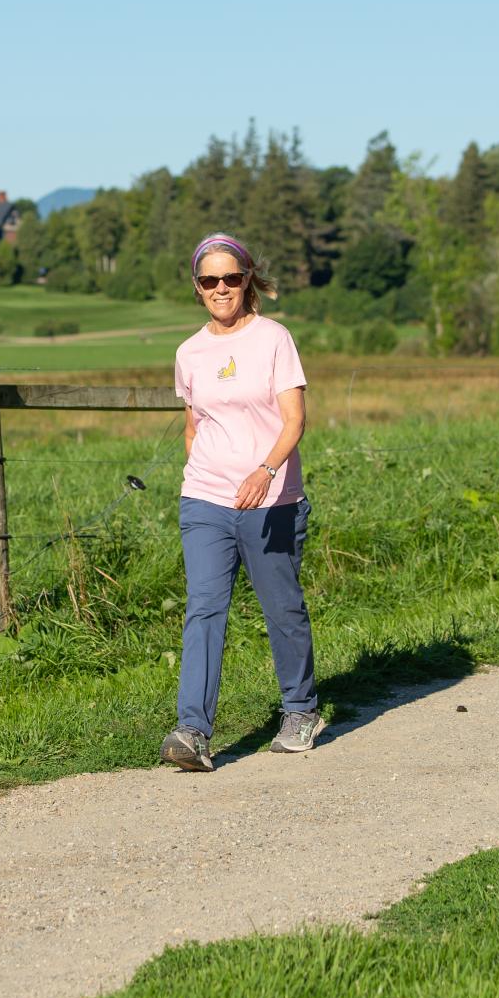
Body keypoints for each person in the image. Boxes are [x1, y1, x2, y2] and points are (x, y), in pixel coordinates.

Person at [160, 233, 322, 773]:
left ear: (247, 279)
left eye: (231, 278)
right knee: (204, 608)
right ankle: (192, 731)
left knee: (282, 607)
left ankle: (299, 709)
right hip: (205, 498)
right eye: (210, 281)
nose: (221, 288)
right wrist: (203, 474)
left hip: (272, 498)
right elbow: (193, 426)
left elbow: (295, 420)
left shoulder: (274, 339)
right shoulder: (189, 352)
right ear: (197, 288)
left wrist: (265, 469)